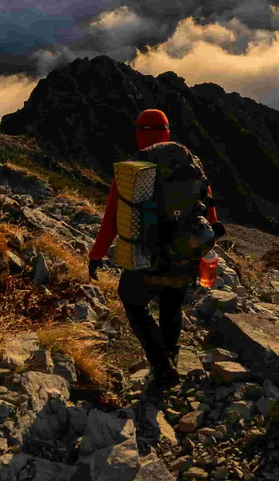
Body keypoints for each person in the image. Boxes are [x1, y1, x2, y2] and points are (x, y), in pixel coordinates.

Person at [88, 108, 224, 395]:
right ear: (167, 132)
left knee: (133, 302)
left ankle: (162, 369)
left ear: (139, 133)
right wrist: (208, 242)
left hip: (147, 258)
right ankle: (169, 359)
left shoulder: (133, 170)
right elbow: (208, 205)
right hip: (187, 251)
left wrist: (96, 255)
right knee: (171, 306)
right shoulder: (192, 162)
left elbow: (111, 220)